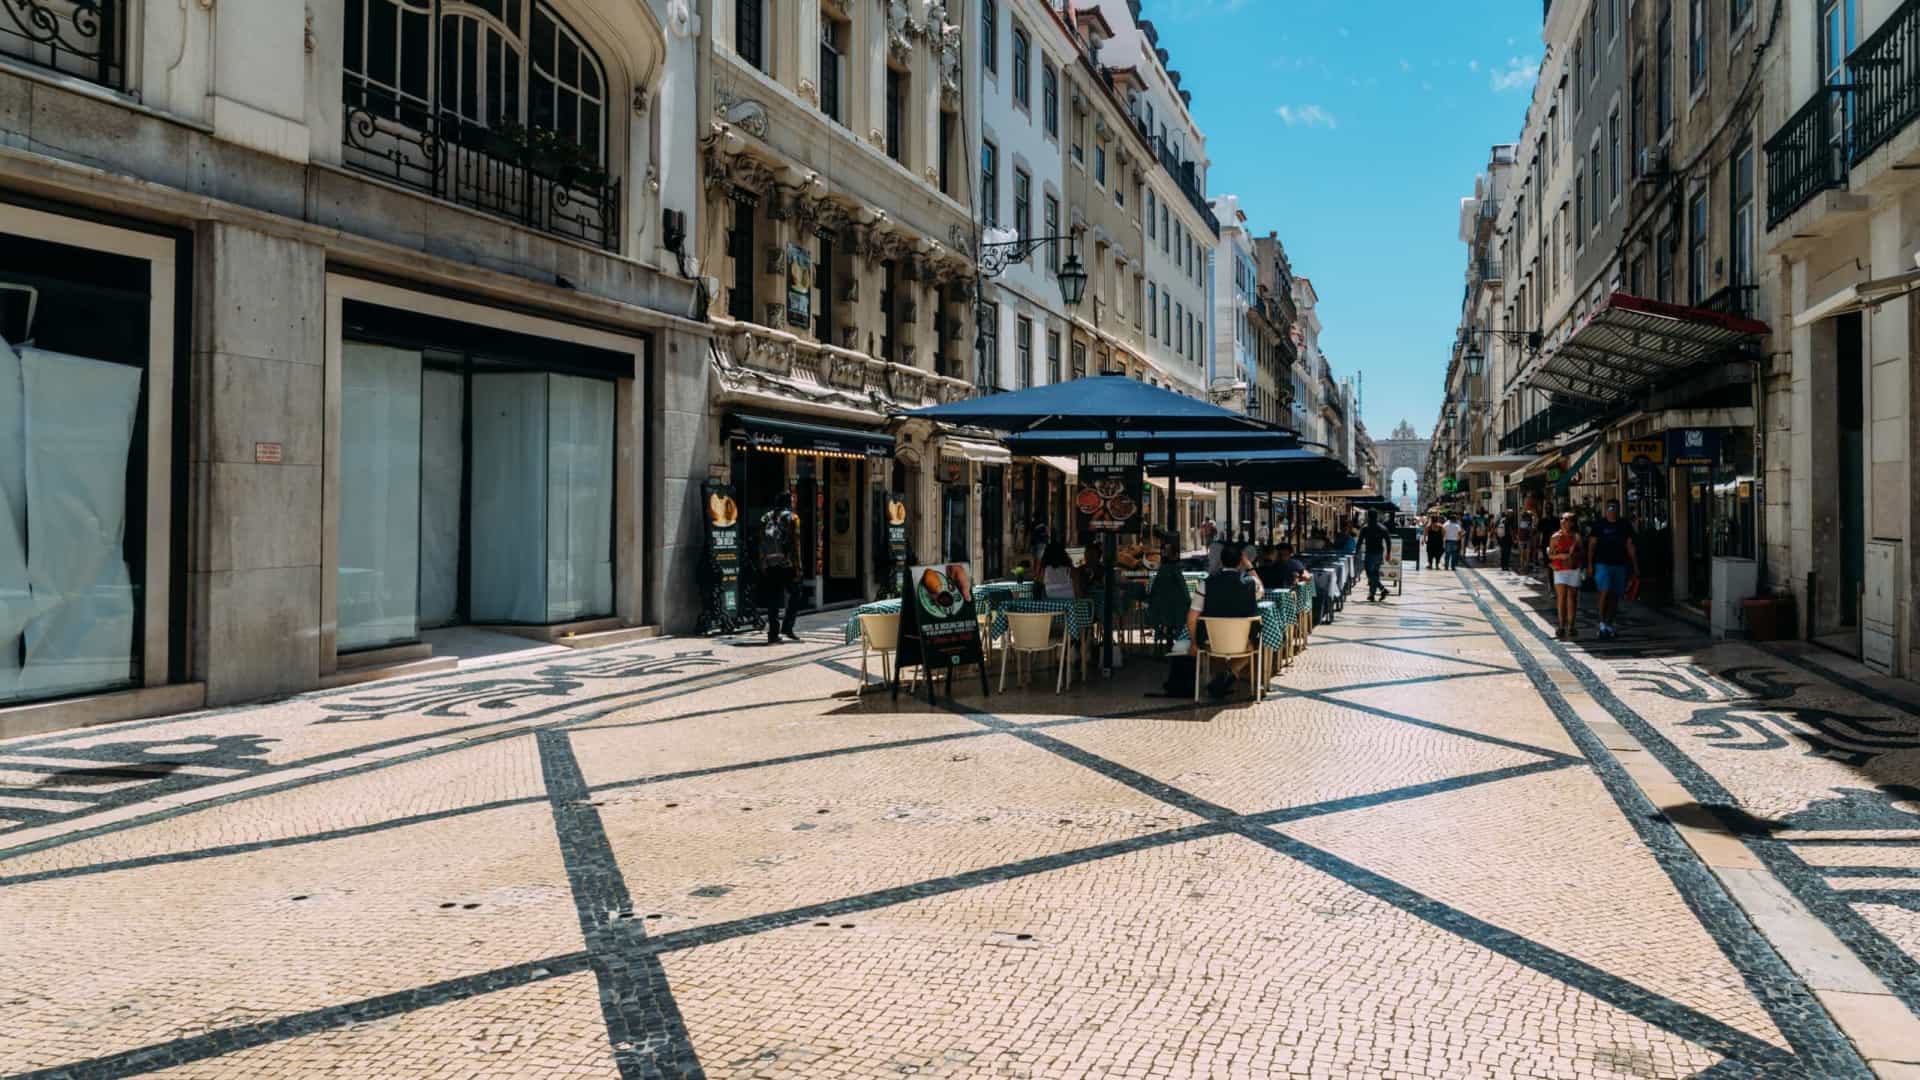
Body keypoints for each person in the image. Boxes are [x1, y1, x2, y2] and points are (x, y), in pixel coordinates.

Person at [1188, 541, 1260, 699]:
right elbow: (1261, 588)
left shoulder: (1205, 584)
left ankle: (1221, 678)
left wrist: (1193, 643)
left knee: (1213, 651)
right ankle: (1231, 673)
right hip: (1243, 640)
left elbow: (1192, 617)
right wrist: (1249, 566)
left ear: (1220, 561)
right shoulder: (1251, 583)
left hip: (1212, 641)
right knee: (1258, 641)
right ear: (1240, 561)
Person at [1587, 500, 1640, 640]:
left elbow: (1630, 545)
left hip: (1620, 564)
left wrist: (1635, 566)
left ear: (1619, 509)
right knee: (1604, 592)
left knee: (1615, 595)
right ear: (1606, 509)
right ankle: (1602, 623)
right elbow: (1592, 545)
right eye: (1610, 507)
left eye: (1615, 508)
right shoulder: (1599, 525)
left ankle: (1609, 623)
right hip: (1602, 563)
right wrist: (1590, 564)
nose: (1612, 510)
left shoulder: (1624, 525)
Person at [758, 491, 803, 643]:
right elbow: (795, 544)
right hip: (787, 564)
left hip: (770, 563)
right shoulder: (793, 518)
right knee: (796, 593)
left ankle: (773, 633)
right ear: (788, 502)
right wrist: (798, 566)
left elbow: (761, 542)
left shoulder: (765, 517)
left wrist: (763, 562)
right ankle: (788, 626)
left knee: (773, 599)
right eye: (792, 500)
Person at [1547, 511, 1584, 640]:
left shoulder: (1576, 537)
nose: (1563, 521)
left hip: (1573, 569)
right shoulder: (1555, 537)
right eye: (1562, 519)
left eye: (1567, 519)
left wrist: (1575, 556)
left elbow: (1582, 553)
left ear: (1572, 522)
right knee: (1561, 597)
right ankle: (1561, 626)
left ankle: (1572, 626)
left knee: (1572, 598)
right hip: (1560, 569)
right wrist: (1561, 556)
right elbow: (1550, 555)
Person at [1360, 511, 1392, 602]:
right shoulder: (1382, 528)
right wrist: (1388, 553)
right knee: (1375, 574)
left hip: (1369, 554)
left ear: (1368, 517)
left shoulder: (1365, 528)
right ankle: (1376, 592)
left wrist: (1356, 552)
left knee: (1370, 574)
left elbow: (1359, 541)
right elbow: (1388, 541)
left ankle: (1377, 591)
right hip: (1379, 554)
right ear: (1377, 517)